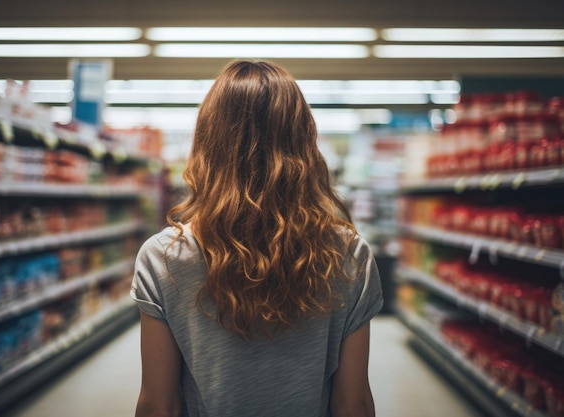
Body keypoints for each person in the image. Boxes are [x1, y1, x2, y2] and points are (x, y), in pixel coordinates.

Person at [131, 59, 383, 417]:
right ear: (304, 143)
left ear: (207, 143)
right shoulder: (347, 254)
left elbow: (160, 405)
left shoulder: (164, 257)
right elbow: (352, 404)